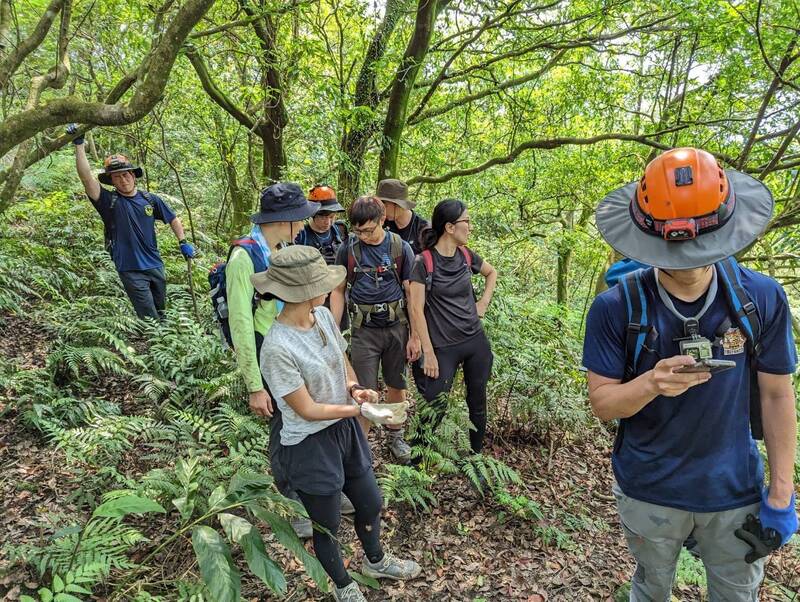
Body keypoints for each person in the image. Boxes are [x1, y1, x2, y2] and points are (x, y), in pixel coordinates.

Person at [584, 147, 798, 600]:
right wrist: (651, 383)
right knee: (651, 588)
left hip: (734, 490)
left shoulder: (761, 299)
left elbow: (777, 395)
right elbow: (603, 404)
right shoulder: (615, 307)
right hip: (648, 490)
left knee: (738, 593)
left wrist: (781, 492)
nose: (683, 260)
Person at [254, 245, 421, 602]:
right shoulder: (277, 347)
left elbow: (341, 358)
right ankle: (343, 585)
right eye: (322, 282)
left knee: (370, 500)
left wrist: (355, 388)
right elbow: (307, 409)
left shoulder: (324, 316)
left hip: (343, 431)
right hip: (309, 443)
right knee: (326, 524)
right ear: (302, 291)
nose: (330, 287)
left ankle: (376, 560)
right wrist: (358, 412)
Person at [225, 182, 324, 538]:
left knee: (303, 419)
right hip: (267, 354)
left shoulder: (281, 249)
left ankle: (315, 492)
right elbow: (240, 323)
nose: (304, 224)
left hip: (291, 349)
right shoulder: (243, 258)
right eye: (301, 218)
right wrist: (254, 385)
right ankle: (293, 505)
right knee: (283, 430)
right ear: (286, 220)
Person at [67, 124, 195, 320]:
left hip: (155, 265)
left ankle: (166, 347)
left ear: (133, 175)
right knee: (149, 318)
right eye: (116, 177)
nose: (123, 180)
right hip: (130, 269)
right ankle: (156, 347)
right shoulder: (108, 201)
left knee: (162, 312)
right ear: (111, 181)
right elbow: (86, 178)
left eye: (126, 174)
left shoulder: (151, 199)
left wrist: (183, 241)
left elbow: (173, 218)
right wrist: (78, 144)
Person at [407, 199, 498, 460]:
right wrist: (429, 352)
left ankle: (475, 459)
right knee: (435, 407)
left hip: (475, 343)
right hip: (442, 347)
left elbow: (492, 273)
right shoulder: (423, 262)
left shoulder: (467, 256)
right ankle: (414, 469)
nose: (469, 227)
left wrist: (483, 302)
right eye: (465, 221)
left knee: (477, 403)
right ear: (449, 227)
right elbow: (416, 310)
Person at [329, 196, 417, 463]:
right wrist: (333, 328)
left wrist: (415, 336)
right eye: (358, 231)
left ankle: (395, 436)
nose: (364, 236)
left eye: (369, 229)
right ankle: (360, 450)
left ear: (382, 220)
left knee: (396, 384)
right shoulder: (348, 249)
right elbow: (338, 289)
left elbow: (411, 293)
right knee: (363, 390)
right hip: (363, 330)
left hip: (396, 327)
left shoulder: (400, 248)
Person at [295, 184, 346, 265]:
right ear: (312, 214)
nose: (328, 222)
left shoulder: (339, 229)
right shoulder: (300, 235)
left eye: (332, 217)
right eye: (323, 217)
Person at [376, 178, 429, 254]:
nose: (381, 210)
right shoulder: (381, 223)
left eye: (384, 205)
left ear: (399, 205)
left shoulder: (423, 230)